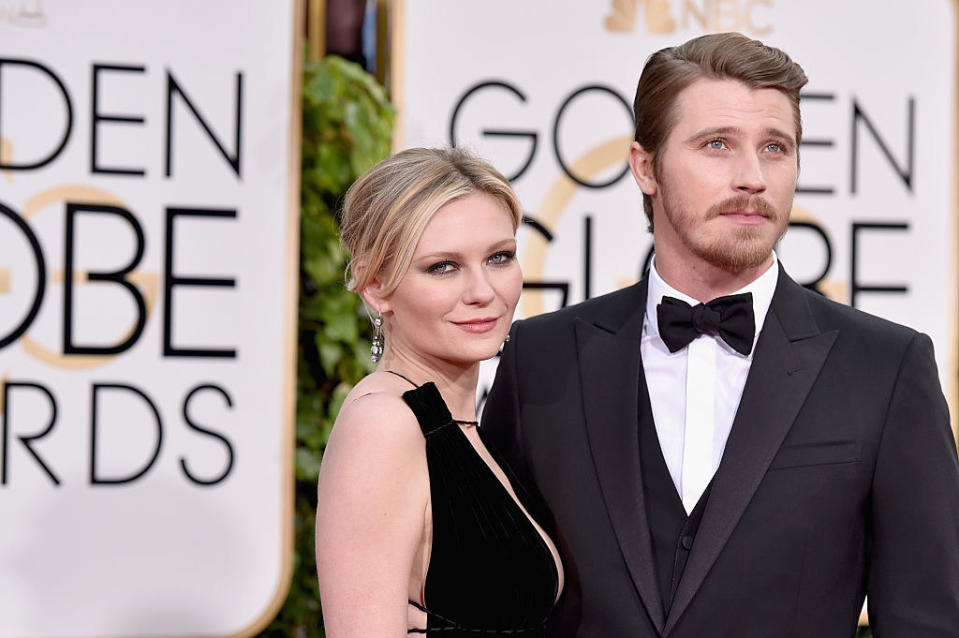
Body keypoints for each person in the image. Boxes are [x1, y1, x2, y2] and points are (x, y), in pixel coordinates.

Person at [482, 32, 959, 637]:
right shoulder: (541, 359)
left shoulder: (887, 369)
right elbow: (489, 600)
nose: (752, 177)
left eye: (775, 148)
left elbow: (929, 622)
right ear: (645, 167)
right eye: (717, 145)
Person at [315, 147, 564, 637]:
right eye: (443, 267)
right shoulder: (384, 424)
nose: (482, 291)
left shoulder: (469, 428)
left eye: (499, 257)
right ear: (377, 286)